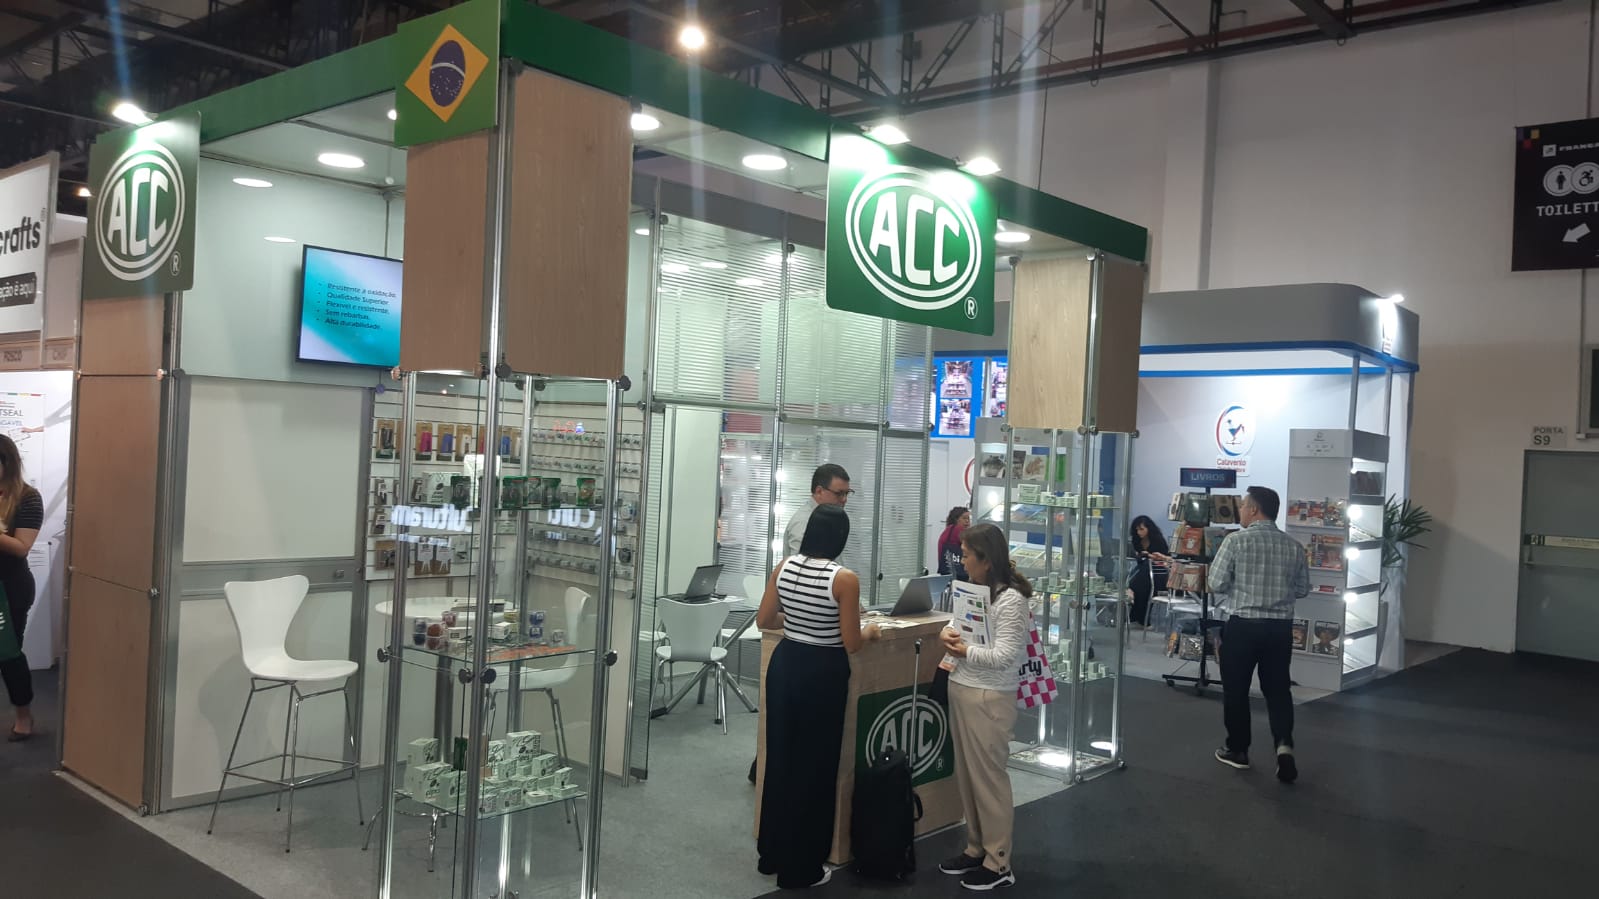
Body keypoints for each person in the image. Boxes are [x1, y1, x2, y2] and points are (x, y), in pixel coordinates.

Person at [755, 505, 879, 889]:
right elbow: (851, 641)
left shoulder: (784, 567)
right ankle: (802, 867)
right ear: (840, 537)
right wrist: (870, 631)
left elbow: (764, 620)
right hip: (822, 673)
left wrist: (796, 621)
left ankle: (771, 853)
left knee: (780, 758)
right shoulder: (844, 579)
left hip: (785, 664)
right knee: (815, 767)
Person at [937, 523, 1029, 891]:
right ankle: (976, 847)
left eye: (966, 555)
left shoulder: (1011, 601)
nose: (961, 561)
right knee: (968, 777)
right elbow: (955, 624)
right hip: (962, 687)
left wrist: (966, 651)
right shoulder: (973, 591)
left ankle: (998, 860)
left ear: (986, 560)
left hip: (990, 697)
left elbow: (1006, 655)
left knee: (989, 781)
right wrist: (946, 633)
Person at [1206, 486, 1309, 783]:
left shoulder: (1235, 541)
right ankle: (1284, 746)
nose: (1239, 510)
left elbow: (1215, 582)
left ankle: (1238, 750)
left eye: (1242, 505)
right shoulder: (1293, 546)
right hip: (1279, 629)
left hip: (1243, 625)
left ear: (1253, 509)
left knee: (1236, 689)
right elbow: (1302, 589)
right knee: (1278, 690)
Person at [0, 435, 43, 742]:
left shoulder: (28, 497)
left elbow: (21, 547)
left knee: (8, 654)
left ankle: (24, 716)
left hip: (9, 589)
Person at [784, 463, 852, 557]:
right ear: (819, 491)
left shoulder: (828, 519)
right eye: (839, 494)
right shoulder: (804, 523)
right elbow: (802, 565)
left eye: (846, 493)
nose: (844, 499)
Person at [1126, 515, 1172, 626]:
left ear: (1148, 528)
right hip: (1144, 575)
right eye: (1137, 530)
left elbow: (1166, 560)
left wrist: (1153, 556)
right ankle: (1140, 618)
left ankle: (1130, 588)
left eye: (1142, 529)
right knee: (1143, 586)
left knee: (1147, 566)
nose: (1139, 532)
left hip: (1158, 573)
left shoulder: (1158, 540)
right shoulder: (1136, 541)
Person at [937, 506, 971, 577]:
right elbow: (973, 545)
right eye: (964, 518)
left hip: (946, 571)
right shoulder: (958, 529)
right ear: (956, 519)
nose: (967, 521)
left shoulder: (948, 530)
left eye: (968, 518)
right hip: (958, 574)